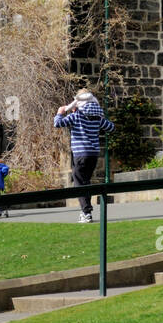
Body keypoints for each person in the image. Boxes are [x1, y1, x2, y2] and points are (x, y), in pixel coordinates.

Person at [54, 89, 115, 223]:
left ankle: (86, 212)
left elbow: (57, 123)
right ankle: (85, 212)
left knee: (79, 184)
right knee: (85, 182)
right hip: (93, 154)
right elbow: (111, 127)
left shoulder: (77, 116)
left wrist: (59, 113)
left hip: (80, 154)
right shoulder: (97, 117)